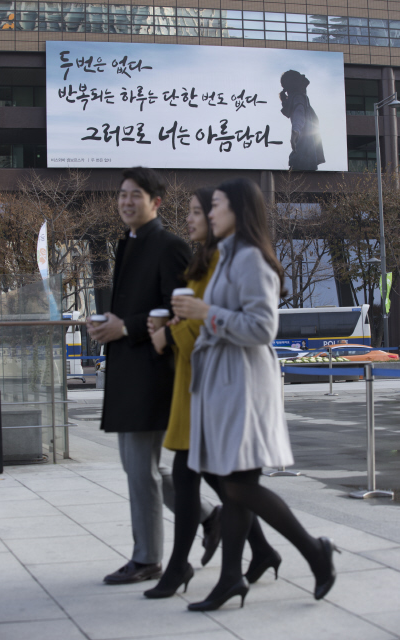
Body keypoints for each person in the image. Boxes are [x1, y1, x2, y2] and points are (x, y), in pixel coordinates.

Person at [172, 178, 339, 611]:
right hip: (226, 382)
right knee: (235, 486)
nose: (210, 212)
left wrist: (206, 312)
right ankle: (232, 577)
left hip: (243, 382)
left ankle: (312, 550)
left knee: (237, 486)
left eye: (219, 205)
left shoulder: (249, 259)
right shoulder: (228, 256)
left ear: (240, 209)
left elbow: (264, 327)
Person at [144, 187, 282, 600]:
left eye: (199, 210)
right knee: (223, 483)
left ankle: (188, 567)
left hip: (216, 382)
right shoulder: (211, 260)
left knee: (215, 481)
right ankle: (260, 556)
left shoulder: (236, 259)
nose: (190, 219)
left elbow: (247, 324)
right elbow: (202, 316)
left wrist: (173, 335)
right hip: (199, 380)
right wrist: (172, 328)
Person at [87, 167, 219, 585]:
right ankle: (213, 518)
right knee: (142, 469)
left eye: (136, 195)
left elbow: (174, 307)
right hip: (130, 372)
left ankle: (147, 559)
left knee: (141, 469)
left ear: (156, 202)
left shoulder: (169, 246)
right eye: (122, 195)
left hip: (152, 373)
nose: (126, 201)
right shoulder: (127, 244)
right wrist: (111, 324)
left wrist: (124, 327)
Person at [279, 69, 325, 171]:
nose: (304, 78)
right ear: (297, 83)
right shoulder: (299, 98)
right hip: (305, 155)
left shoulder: (298, 98)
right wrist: (295, 131)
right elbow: (299, 115)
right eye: (300, 77)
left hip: (305, 153)